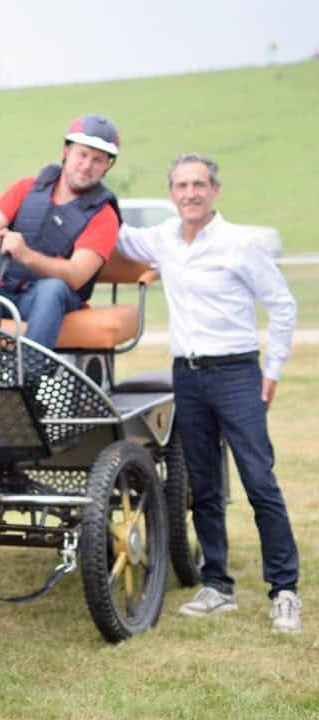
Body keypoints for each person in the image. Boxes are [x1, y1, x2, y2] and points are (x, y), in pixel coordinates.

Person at [115, 153, 301, 633]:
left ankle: (284, 590)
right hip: (188, 377)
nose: (190, 193)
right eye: (181, 185)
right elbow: (112, 232)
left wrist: (272, 370)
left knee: (260, 481)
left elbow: (282, 306)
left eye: (199, 184)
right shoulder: (162, 240)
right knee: (205, 485)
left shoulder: (242, 244)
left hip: (237, 373)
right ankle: (217, 584)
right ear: (172, 193)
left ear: (214, 190)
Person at [0, 113, 122, 348]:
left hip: (51, 300)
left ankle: (28, 374)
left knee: (53, 289)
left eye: (98, 159)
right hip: (3, 287)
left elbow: (76, 275)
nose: (87, 165)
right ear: (66, 151)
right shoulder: (25, 188)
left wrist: (25, 255)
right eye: (82, 154)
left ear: (107, 166)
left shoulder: (104, 216)